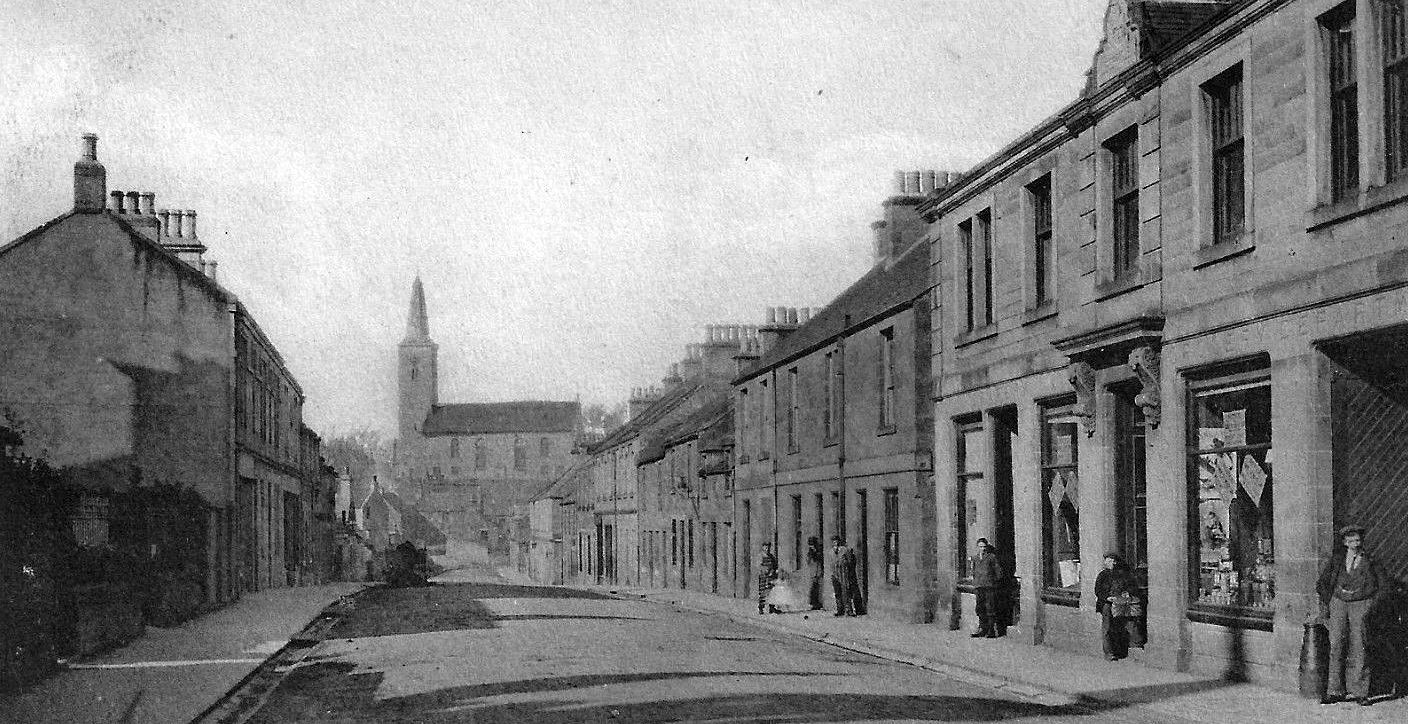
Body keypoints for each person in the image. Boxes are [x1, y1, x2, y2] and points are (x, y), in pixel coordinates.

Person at [1317, 524, 1382, 707]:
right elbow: (1322, 583)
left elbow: (1382, 586)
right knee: (1336, 644)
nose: (1355, 543)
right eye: (1351, 540)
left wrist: (1370, 605)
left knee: (1359, 646)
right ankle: (1334, 691)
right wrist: (1330, 601)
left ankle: (1360, 691)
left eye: (1358, 540)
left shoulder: (1370, 560)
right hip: (1338, 603)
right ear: (1345, 542)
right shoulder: (1337, 560)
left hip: (1360, 604)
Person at [1094, 552, 1145, 660]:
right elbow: (1098, 591)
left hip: (1122, 603)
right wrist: (1107, 598)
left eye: (1109, 560)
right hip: (1107, 603)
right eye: (1106, 560)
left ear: (1115, 562)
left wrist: (1127, 593)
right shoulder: (1102, 575)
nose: (1106, 563)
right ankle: (1109, 653)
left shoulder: (1124, 574)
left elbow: (1131, 587)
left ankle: (1134, 649)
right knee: (1108, 627)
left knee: (1129, 624)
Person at [971, 538, 1005, 638]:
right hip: (979, 586)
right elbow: (973, 571)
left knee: (990, 608)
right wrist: (975, 581)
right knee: (980, 608)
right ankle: (982, 629)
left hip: (989, 587)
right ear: (977, 547)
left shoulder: (991, 557)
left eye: (984, 547)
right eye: (980, 547)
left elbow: (998, 571)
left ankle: (991, 630)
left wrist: (993, 581)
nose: (982, 549)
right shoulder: (975, 558)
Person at [828, 536, 853, 616]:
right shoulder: (831, 552)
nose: (835, 543)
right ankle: (840, 610)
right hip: (835, 574)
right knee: (837, 592)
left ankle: (849, 610)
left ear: (839, 541)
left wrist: (846, 568)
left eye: (836, 541)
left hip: (843, 573)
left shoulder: (844, 550)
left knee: (846, 591)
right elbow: (831, 563)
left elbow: (850, 561)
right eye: (833, 541)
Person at [757, 542, 779, 615]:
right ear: (763, 547)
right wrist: (766, 570)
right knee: (763, 592)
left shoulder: (771, 556)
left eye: (768, 547)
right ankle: (761, 608)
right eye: (766, 547)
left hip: (771, 577)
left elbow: (775, 565)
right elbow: (759, 566)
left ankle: (771, 607)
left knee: (772, 591)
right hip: (764, 577)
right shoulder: (761, 556)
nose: (767, 549)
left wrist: (775, 570)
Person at [806, 536, 825, 611]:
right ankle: (814, 604)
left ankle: (818, 603)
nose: (812, 546)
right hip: (813, 572)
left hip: (818, 571)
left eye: (813, 544)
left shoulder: (819, 552)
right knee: (813, 588)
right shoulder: (810, 553)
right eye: (810, 545)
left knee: (818, 588)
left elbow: (820, 561)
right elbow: (808, 561)